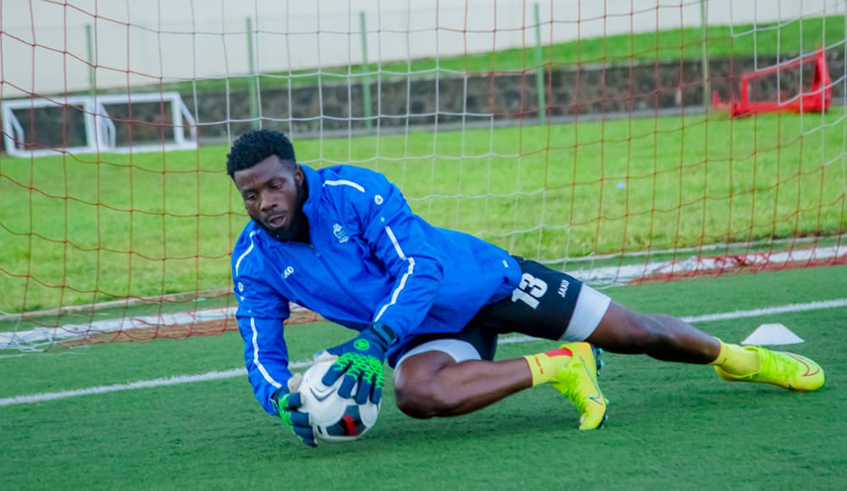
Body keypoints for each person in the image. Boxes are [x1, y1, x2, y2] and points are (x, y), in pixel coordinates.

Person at [227, 129, 825, 447]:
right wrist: (279, 396)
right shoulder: (254, 259)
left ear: (297, 175)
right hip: (428, 331)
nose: (266, 202)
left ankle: (741, 359)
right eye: (251, 194)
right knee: (415, 392)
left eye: (274, 186)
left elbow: (420, 270)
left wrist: (374, 339)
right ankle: (564, 367)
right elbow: (260, 343)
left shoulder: (356, 192)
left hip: (487, 283)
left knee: (638, 333)